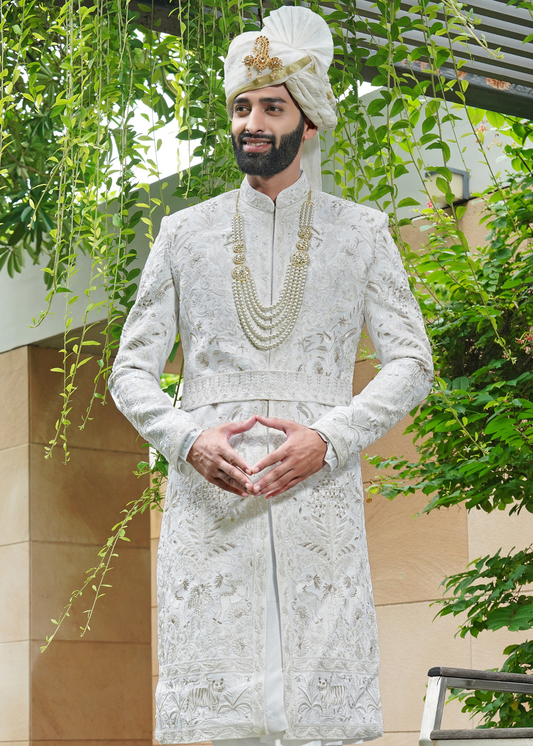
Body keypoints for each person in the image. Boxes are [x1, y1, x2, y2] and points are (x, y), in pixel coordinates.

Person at [109, 6, 434, 746]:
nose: (251, 121)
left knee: (320, 708)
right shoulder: (183, 234)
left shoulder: (362, 232)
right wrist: (184, 437)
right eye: (241, 106)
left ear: (308, 123)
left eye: (271, 107)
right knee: (212, 706)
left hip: (316, 491)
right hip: (208, 498)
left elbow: (411, 361)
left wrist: (331, 435)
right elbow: (130, 368)